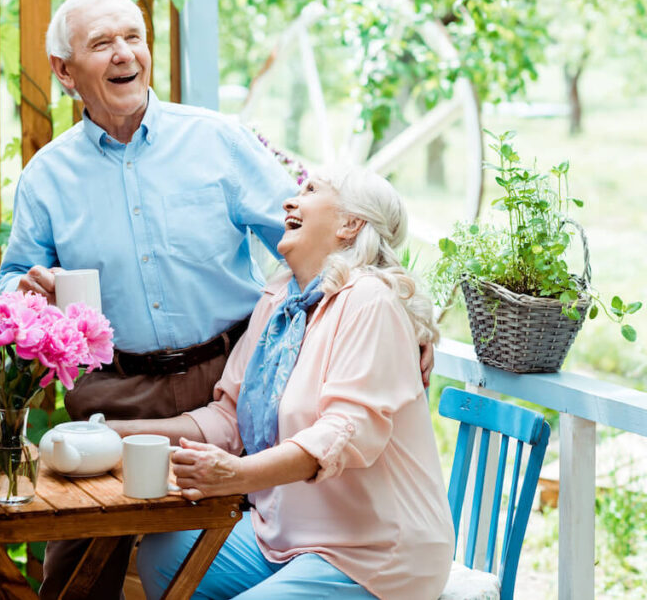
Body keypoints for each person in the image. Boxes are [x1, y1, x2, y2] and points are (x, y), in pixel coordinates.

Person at [0, 0, 302, 599]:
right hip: (115, 387)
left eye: (133, 37)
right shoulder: (47, 175)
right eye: (101, 43)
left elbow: (304, 240)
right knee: (80, 557)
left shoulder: (217, 140)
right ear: (64, 71)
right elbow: (13, 280)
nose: (123, 54)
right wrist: (35, 292)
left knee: (250, 534)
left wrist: (389, 307)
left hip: (230, 376)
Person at [109, 166, 454, 600]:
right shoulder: (280, 299)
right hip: (284, 537)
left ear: (350, 224)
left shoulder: (370, 301)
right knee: (164, 555)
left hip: (375, 551)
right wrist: (116, 432)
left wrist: (236, 474)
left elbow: (340, 433)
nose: (290, 202)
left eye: (310, 190)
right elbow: (227, 418)